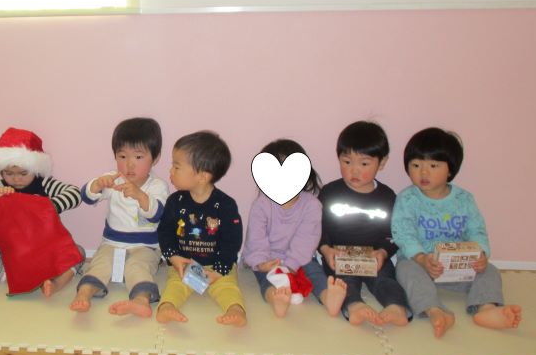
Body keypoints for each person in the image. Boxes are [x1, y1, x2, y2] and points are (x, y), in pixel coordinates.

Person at [393, 127, 522, 338]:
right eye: (416, 165)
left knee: (490, 271)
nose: (423, 172)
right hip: (421, 263)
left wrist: (480, 254)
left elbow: (476, 229)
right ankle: (435, 310)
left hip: (458, 264)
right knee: (404, 270)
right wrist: (422, 258)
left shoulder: (464, 199)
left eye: (433, 166)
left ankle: (486, 308)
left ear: (450, 170)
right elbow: (403, 233)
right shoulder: (407, 199)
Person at [70, 117, 169, 317]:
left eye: (138, 157)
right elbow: (86, 197)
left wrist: (140, 195)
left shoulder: (157, 186)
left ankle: (140, 300)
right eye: (122, 156)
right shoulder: (113, 179)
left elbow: (158, 214)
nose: (129, 164)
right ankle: (84, 293)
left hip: (145, 246)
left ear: (155, 158)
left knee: (138, 268)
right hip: (112, 243)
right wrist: (97, 185)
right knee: (99, 265)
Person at [0, 127, 84, 296]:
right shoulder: (0, 186)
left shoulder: (44, 183)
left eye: (23, 173)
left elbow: (75, 194)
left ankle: (56, 282)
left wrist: (47, 206)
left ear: (35, 168)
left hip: (44, 246)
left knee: (78, 251)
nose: (16, 179)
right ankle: (12, 277)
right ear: (1, 171)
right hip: (9, 250)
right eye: (9, 173)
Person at [317, 121, 411, 327]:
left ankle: (396, 307)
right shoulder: (330, 193)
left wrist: (383, 253)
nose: (354, 170)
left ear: (382, 163)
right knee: (342, 283)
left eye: (364, 164)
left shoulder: (387, 197)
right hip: (338, 257)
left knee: (386, 280)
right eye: (347, 161)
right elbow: (317, 227)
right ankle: (354, 306)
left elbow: (394, 233)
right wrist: (326, 250)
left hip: (374, 257)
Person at [243, 138, 347, 318]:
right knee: (266, 279)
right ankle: (275, 299)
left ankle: (327, 297)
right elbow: (256, 238)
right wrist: (261, 262)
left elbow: (307, 239)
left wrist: (291, 266)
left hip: (300, 258)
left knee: (315, 273)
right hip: (268, 258)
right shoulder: (261, 205)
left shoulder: (311, 205)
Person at [157, 131, 246, 327]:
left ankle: (235, 310)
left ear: (202, 176)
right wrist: (173, 257)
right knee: (175, 285)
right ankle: (167, 306)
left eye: (177, 166)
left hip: (217, 265)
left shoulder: (225, 205)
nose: (171, 171)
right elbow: (165, 232)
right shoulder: (175, 201)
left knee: (228, 287)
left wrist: (220, 270)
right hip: (184, 264)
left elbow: (232, 241)